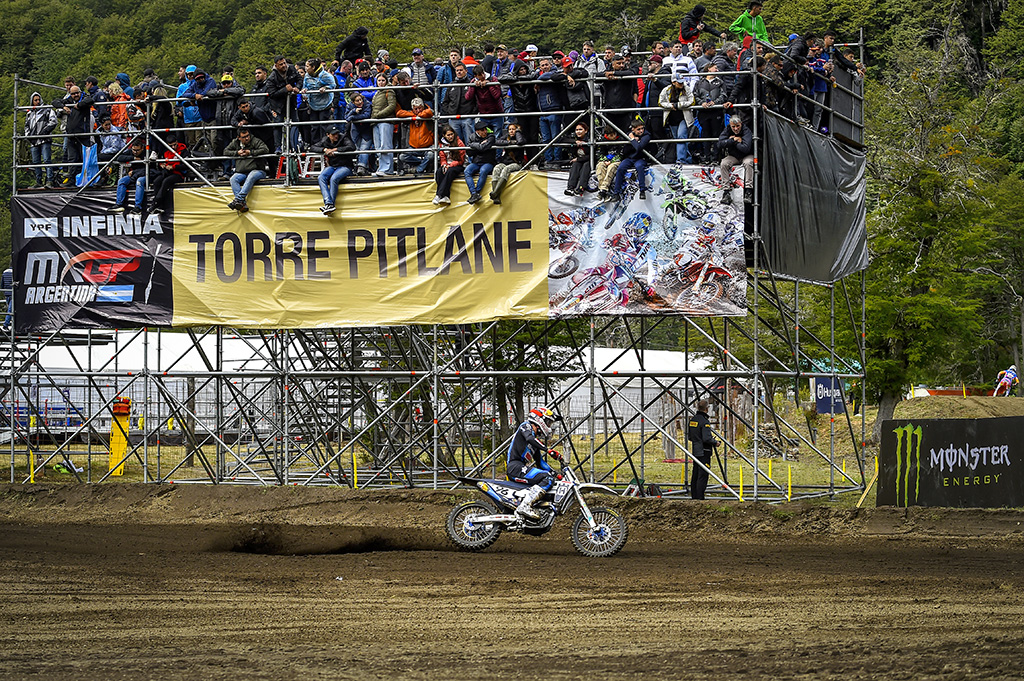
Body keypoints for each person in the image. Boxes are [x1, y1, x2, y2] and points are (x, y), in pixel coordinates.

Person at [506, 407, 558, 520]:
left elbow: (541, 463)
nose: (548, 426)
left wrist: (556, 474)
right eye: (548, 422)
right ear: (539, 419)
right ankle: (525, 506)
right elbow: (529, 438)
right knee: (547, 478)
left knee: (548, 477)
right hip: (515, 466)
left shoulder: (534, 443)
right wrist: (548, 450)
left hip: (521, 467)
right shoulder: (525, 426)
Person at [311, 126, 355, 214]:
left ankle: (330, 204)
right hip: (333, 166)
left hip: (345, 166)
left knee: (334, 178)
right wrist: (325, 149)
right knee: (321, 177)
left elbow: (352, 147)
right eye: (333, 134)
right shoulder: (324, 140)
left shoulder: (343, 138)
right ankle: (329, 203)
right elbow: (312, 147)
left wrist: (337, 149)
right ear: (328, 135)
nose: (336, 136)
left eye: (337, 133)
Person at [225, 128, 269, 212]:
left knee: (251, 176)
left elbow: (265, 149)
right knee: (233, 179)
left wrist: (251, 152)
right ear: (239, 138)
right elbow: (225, 151)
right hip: (241, 172)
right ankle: (242, 204)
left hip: (258, 170)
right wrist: (236, 153)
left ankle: (238, 199)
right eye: (244, 137)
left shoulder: (255, 141)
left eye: (248, 136)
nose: (247, 138)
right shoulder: (235, 142)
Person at [108, 139, 156, 214]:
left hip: (145, 174)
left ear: (142, 148)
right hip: (133, 175)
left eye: (137, 150)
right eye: (133, 150)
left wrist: (134, 172)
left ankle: (138, 207)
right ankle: (119, 204)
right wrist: (133, 158)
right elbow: (119, 158)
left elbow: (151, 169)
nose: (135, 152)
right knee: (121, 181)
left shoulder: (148, 153)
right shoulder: (131, 153)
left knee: (139, 181)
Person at [659, 72, 694, 164]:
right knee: (678, 140)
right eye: (679, 82)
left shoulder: (687, 89)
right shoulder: (666, 90)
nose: (681, 84)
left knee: (681, 137)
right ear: (673, 82)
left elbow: (692, 101)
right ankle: (688, 158)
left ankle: (680, 160)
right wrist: (670, 105)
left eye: (682, 82)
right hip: (671, 119)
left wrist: (679, 105)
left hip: (684, 118)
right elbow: (660, 102)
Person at [717, 114, 753, 205]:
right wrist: (735, 141)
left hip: (747, 155)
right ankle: (726, 191)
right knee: (724, 163)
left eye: (738, 126)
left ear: (741, 124)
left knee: (749, 163)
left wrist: (731, 142)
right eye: (733, 126)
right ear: (730, 125)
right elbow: (719, 144)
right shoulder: (727, 129)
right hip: (734, 156)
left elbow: (746, 148)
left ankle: (749, 191)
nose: (736, 129)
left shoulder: (746, 130)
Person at [24, 92, 58, 188]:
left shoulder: (47, 110)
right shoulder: (29, 113)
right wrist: (28, 136)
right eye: (35, 100)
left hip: (45, 139)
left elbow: (53, 121)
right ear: (32, 101)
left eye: (39, 100)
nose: (38, 102)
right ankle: (38, 181)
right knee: (36, 162)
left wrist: (45, 132)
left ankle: (49, 181)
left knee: (47, 160)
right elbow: (26, 126)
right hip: (34, 141)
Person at [612, 119, 652, 200]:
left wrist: (633, 140)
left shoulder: (646, 136)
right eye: (638, 129)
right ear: (633, 129)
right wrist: (633, 140)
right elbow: (624, 149)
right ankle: (616, 193)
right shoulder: (627, 135)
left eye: (642, 128)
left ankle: (642, 190)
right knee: (620, 168)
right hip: (630, 158)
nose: (641, 131)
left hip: (641, 158)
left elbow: (639, 147)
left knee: (639, 167)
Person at [687, 399, 717, 500]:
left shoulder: (693, 420)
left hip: (696, 450)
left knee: (695, 473)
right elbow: (706, 438)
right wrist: (715, 442)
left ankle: (694, 496)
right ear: (707, 409)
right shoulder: (704, 421)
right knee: (703, 474)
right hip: (705, 451)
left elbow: (690, 437)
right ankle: (700, 497)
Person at [490, 121, 526, 204]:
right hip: (505, 161)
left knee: (506, 170)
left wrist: (518, 133)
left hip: (517, 163)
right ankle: (496, 196)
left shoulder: (520, 136)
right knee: (496, 168)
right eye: (510, 129)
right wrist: (510, 142)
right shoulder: (506, 137)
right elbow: (497, 141)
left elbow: (520, 141)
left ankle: (495, 193)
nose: (511, 131)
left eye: (513, 129)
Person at [396, 97, 434, 174]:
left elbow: (430, 112)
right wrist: (413, 116)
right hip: (414, 147)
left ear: (423, 107)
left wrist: (419, 116)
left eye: (420, 108)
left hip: (427, 146)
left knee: (431, 155)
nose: (418, 110)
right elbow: (399, 113)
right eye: (415, 109)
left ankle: (419, 169)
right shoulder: (412, 115)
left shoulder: (427, 113)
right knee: (402, 156)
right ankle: (423, 164)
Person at [370, 73, 398, 175]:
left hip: (386, 120)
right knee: (378, 146)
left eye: (383, 80)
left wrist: (378, 115)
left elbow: (392, 105)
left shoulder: (389, 91)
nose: (381, 82)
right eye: (379, 80)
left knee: (385, 145)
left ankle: (387, 169)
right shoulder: (377, 93)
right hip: (375, 121)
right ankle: (381, 168)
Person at [464, 119, 496, 203]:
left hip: (488, 161)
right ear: (477, 131)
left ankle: (476, 192)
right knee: (467, 171)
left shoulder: (491, 136)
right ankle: (474, 193)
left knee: (483, 171)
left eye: (485, 129)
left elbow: (483, 147)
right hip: (476, 162)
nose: (485, 131)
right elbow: (469, 152)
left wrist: (474, 146)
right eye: (482, 130)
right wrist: (479, 145)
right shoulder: (472, 137)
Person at [433, 125, 465, 206]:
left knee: (449, 172)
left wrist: (450, 165)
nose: (451, 136)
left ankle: (439, 195)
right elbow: (442, 157)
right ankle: (445, 196)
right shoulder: (441, 144)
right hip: (447, 164)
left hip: (458, 165)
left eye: (452, 134)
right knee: (439, 172)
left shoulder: (459, 143)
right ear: (444, 136)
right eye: (448, 135)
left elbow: (461, 160)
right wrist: (444, 165)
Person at [346, 93, 374, 175]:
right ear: (353, 102)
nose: (360, 102)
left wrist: (353, 117)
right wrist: (354, 111)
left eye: (360, 100)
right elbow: (346, 117)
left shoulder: (367, 104)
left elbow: (367, 115)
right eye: (357, 101)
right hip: (355, 131)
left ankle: (361, 167)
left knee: (364, 149)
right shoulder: (350, 106)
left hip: (366, 130)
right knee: (358, 149)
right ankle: (363, 167)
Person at [595, 130, 623, 200]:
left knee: (611, 167)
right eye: (611, 135)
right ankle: (603, 191)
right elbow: (598, 154)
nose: (613, 136)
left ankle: (603, 190)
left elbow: (622, 154)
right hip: (605, 160)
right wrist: (605, 160)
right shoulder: (602, 141)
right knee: (600, 166)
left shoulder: (621, 139)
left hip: (617, 160)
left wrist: (611, 161)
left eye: (614, 134)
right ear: (606, 135)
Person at [565, 122, 591, 196]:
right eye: (576, 130)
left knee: (586, 165)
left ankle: (581, 187)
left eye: (580, 129)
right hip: (578, 160)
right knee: (575, 165)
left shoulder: (590, 138)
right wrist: (575, 141)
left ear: (586, 131)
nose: (578, 132)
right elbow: (562, 139)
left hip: (588, 160)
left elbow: (593, 155)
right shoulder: (574, 137)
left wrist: (579, 159)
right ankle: (570, 188)